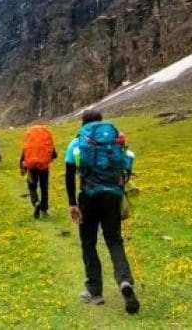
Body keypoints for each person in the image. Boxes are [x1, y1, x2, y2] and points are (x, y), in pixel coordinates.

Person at [65, 109, 139, 314]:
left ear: (83, 123)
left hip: (88, 197)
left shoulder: (77, 142)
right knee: (114, 240)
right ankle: (124, 280)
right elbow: (126, 165)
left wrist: (72, 203)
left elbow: (69, 174)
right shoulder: (115, 140)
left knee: (88, 241)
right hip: (113, 195)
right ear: (101, 121)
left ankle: (94, 291)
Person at [19, 125, 57, 219]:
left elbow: (23, 155)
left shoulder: (29, 142)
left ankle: (36, 202)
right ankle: (44, 210)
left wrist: (22, 168)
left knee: (32, 186)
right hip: (44, 168)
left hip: (32, 168)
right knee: (44, 188)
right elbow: (54, 155)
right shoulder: (46, 142)